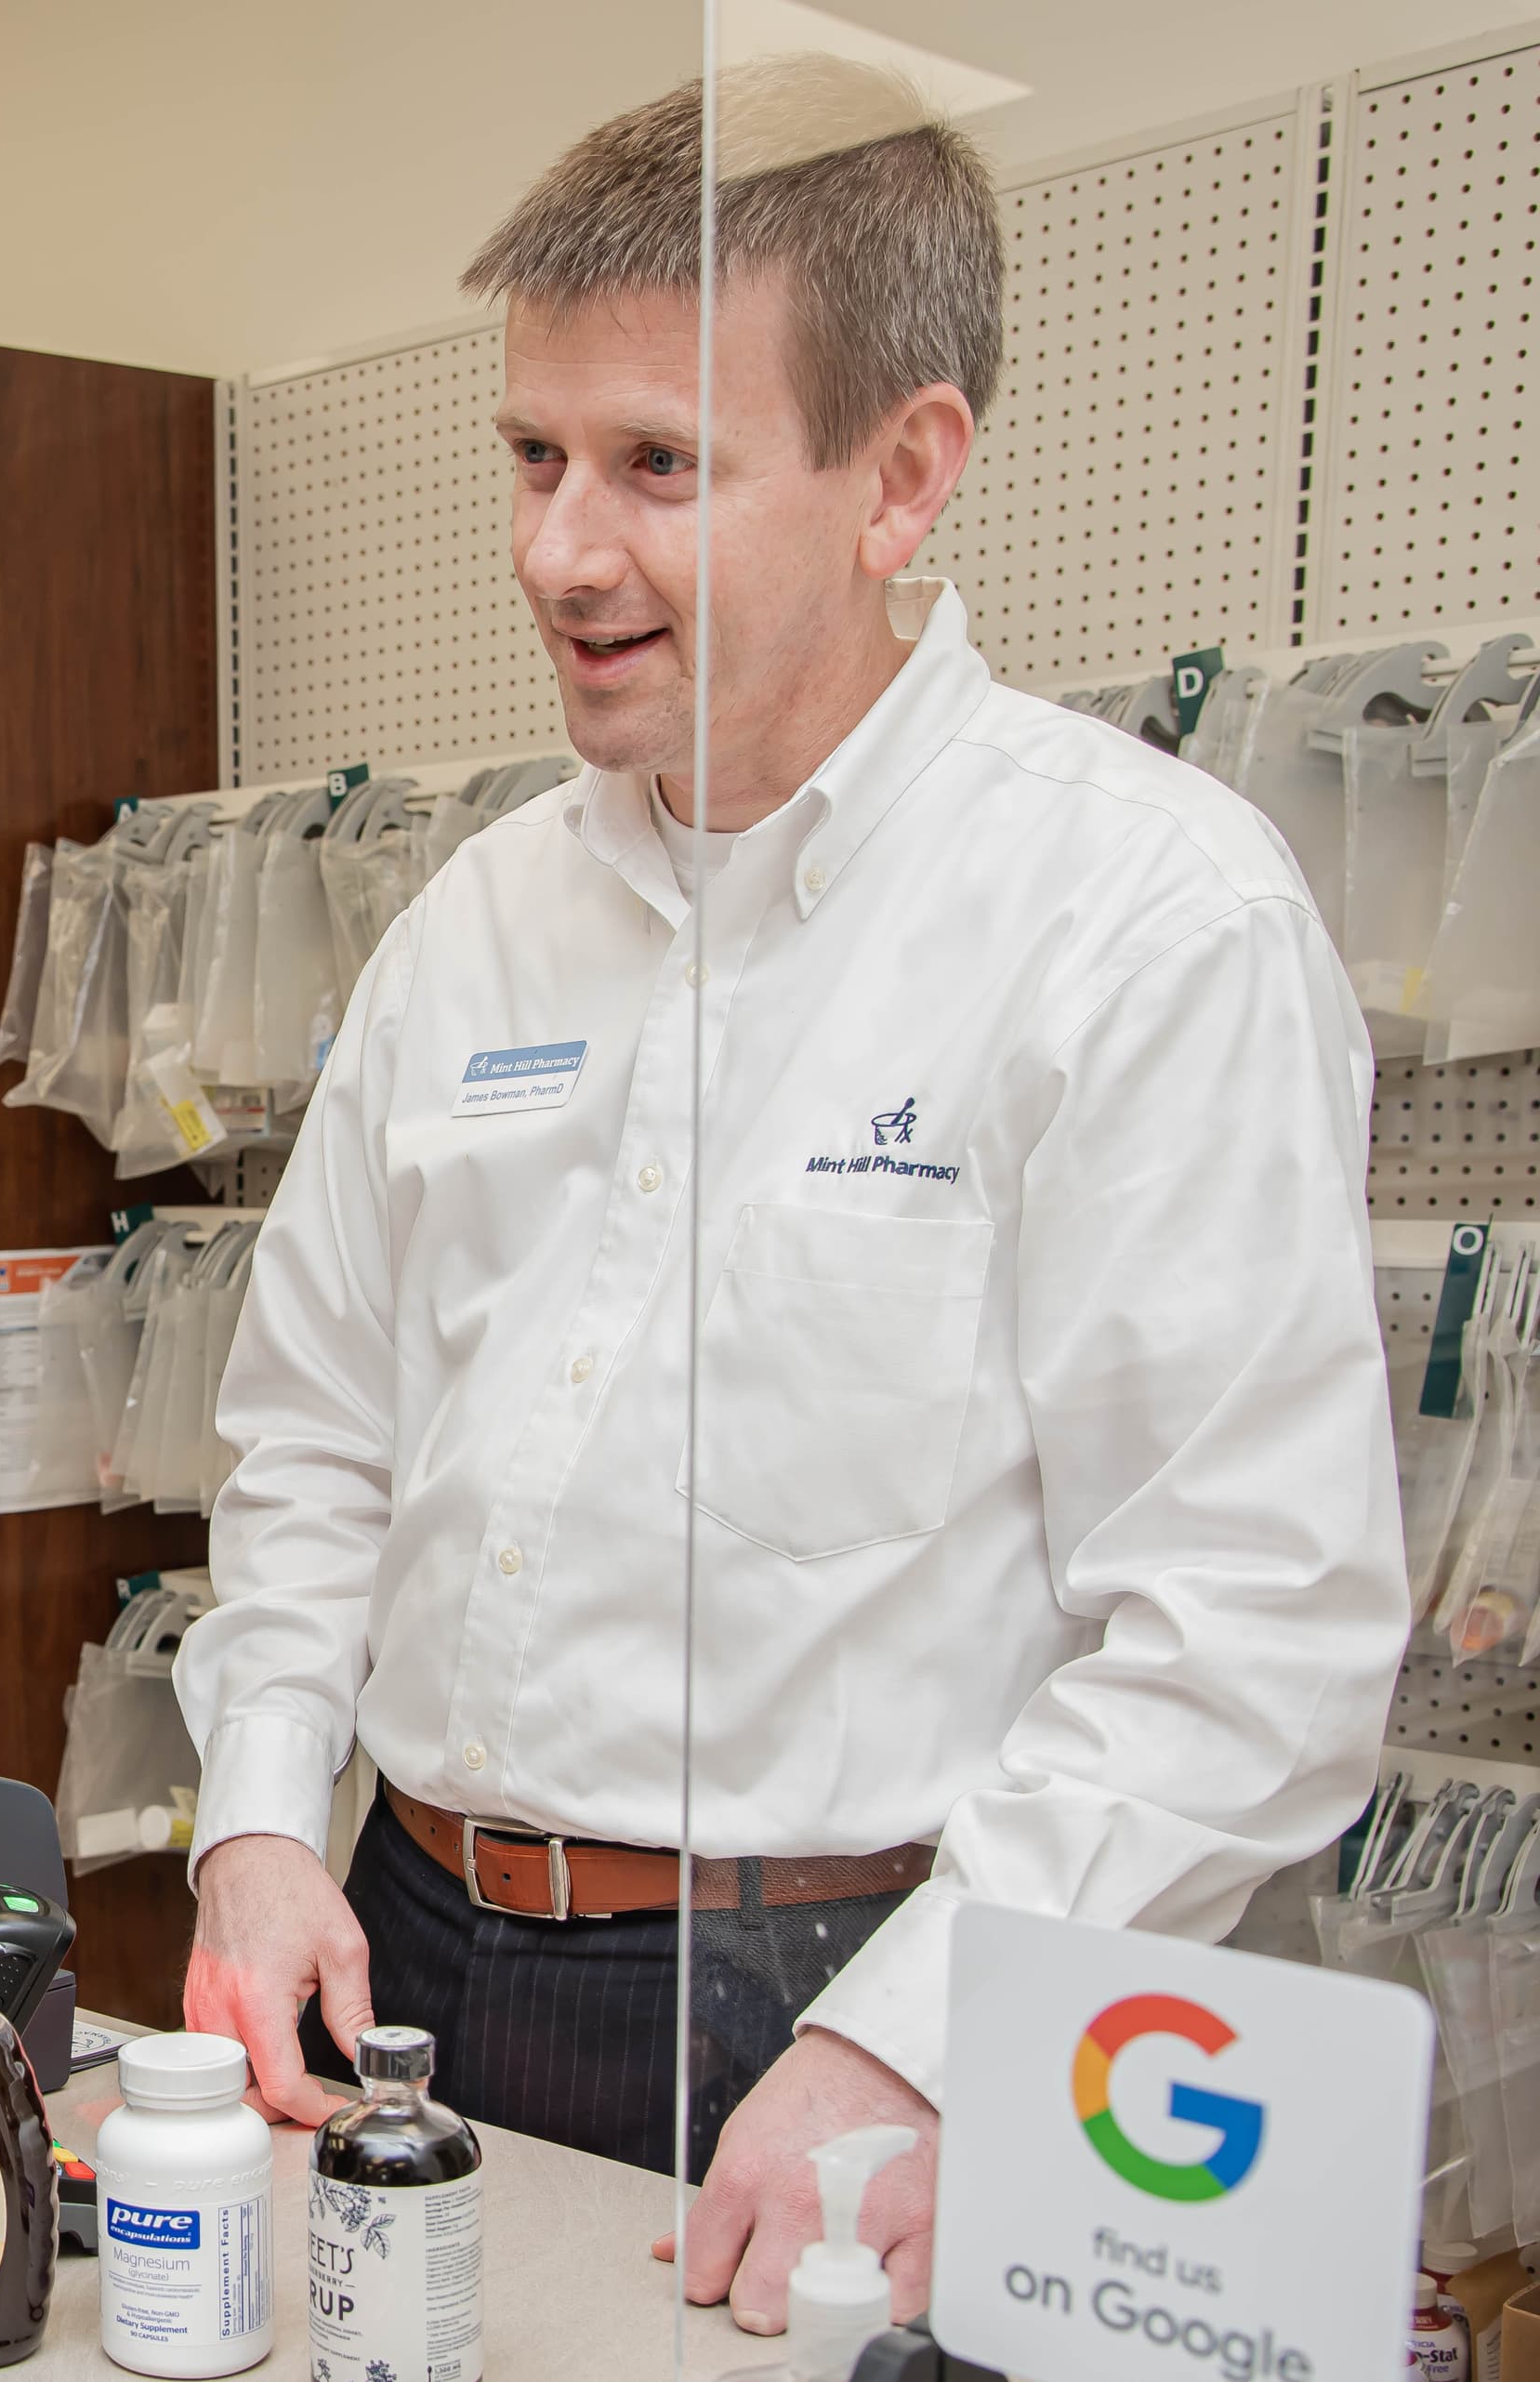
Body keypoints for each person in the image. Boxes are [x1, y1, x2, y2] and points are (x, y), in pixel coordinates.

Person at [175, 55, 1407, 2339]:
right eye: (533, 456)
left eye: (659, 464)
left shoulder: (1137, 920)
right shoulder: (470, 932)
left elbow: (1258, 1626)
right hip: (409, 1940)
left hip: (871, 1986)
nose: (560, 549)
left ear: (902, 474)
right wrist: (256, 1820)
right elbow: (312, 1442)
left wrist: (910, 2038)